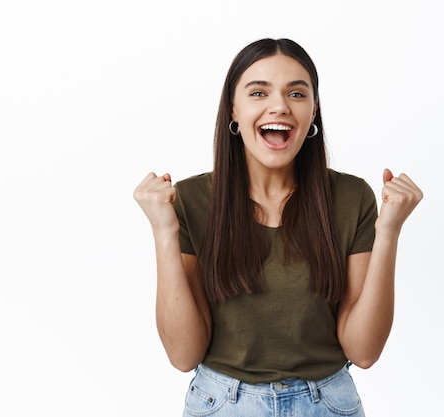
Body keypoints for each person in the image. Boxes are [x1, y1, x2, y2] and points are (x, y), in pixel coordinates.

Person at [133, 38, 422, 417]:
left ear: (313, 110)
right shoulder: (188, 200)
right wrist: (163, 232)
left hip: (328, 403)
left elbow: (363, 352)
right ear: (233, 110)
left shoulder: (351, 197)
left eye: (297, 94)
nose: (280, 106)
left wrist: (389, 231)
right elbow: (184, 355)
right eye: (258, 92)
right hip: (222, 404)